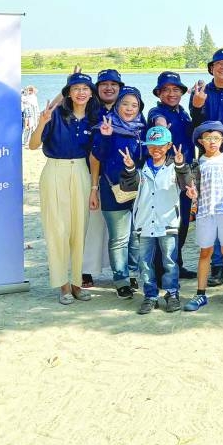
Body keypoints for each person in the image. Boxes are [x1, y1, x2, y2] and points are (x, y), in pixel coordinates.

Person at [29, 72, 99, 305]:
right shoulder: (56, 115)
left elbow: (94, 157)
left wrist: (94, 188)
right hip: (54, 170)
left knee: (79, 229)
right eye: (76, 88)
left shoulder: (94, 118)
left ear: (91, 93)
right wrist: (42, 122)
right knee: (57, 230)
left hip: (81, 171)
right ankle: (63, 285)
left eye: (85, 88)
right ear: (68, 93)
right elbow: (33, 145)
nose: (81, 92)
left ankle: (77, 283)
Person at [118, 126, 190, 314]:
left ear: (169, 146)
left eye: (160, 146)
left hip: (167, 222)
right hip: (144, 223)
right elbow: (127, 187)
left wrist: (181, 165)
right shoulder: (140, 167)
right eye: (151, 146)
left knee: (170, 261)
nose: (156, 149)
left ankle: (172, 294)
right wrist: (129, 168)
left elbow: (186, 184)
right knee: (145, 263)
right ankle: (150, 296)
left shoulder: (175, 167)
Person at [90, 86, 147, 298]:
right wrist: (105, 137)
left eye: (134, 105)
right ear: (116, 105)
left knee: (135, 236)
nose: (129, 109)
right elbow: (97, 156)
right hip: (113, 189)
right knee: (119, 238)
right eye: (125, 104)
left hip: (138, 189)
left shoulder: (142, 129)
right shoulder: (106, 126)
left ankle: (132, 273)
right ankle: (121, 279)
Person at [182, 121, 223, 312]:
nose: (212, 142)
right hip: (205, 214)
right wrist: (192, 195)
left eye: (216, 138)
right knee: (205, 253)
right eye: (208, 138)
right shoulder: (196, 165)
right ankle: (200, 293)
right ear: (201, 141)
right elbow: (194, 192)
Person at [147, 71, 196, 280]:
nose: (171, 93)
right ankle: (161, 270)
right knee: (166, 222)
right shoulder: (156, 111)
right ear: (159, 93)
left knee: (183, 221)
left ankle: (177, 264)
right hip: (166, 173)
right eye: (166, 90)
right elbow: (158, 121)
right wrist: (161, 128)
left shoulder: (183, 112)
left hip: (185, 172)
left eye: (176, 89)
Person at [80, 68, 123, 289]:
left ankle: (121, 270)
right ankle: (86, 269)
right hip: (93, 173)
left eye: (113, 84)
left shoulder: (126, 108)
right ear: (97, 88)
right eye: (104, 84)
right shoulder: (89, 110)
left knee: (120, 227)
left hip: (120, 175)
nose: (109, 88)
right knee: (93, 224)